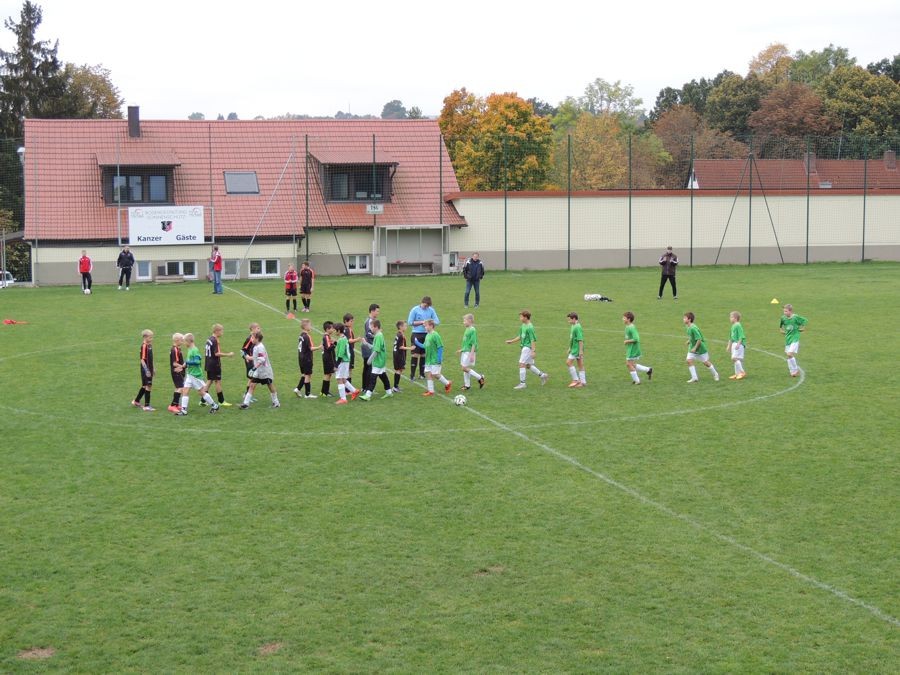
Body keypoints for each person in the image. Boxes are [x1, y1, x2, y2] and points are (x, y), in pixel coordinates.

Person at [505, 310, 549, 390]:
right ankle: (543, 376)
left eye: (521, 316)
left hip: (527, 348)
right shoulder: (523, 325)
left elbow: (532, 340)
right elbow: (520, 336)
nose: (520, 318)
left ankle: (522, 384)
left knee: (521, 364)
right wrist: (511, 341)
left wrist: (533, 351)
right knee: (528, 365)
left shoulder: (530, 327)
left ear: (525, 317)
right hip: (524, 347)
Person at [240, 331, 280, 409]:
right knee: (252, 385)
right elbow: (256, 358)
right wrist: (247, 357)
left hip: (264, 371)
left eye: (252, 338)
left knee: (270, 385)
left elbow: (261, 360)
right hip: (258, 371)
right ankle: (246, 404)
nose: (251, 339)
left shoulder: (260, 347)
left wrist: (254, 368)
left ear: (257, 339)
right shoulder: (255, 346)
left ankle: (276, 402)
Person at [183, 333, 220, 412]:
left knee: (201, 392)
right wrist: (185, 365)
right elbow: (196, 359)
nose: (184, 343)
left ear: (189, 341)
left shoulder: (194, 350)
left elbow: (197, 361)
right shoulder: (190, 349)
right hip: (190, 374)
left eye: (184, 342)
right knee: (185, 391)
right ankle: (183, 410)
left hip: (195, 375)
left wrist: (187, 362)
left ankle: (214, 405)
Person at [408, 296, 440, 380]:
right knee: (415, 354)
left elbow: (437, 321)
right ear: (422, 303)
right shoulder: (415, 309)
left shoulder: (431, 310)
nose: (426, 307)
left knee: (424, 355)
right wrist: (421, 322)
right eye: (425, 306)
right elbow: (410, 322)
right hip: (416, 334)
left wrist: (429, 323)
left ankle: (422, 374)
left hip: (427, 335)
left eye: (428, 306)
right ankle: (412, 375)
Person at [683, 312, 719, 383]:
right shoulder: (688, 327)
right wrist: (689, 341)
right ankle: (694, 378)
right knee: (689, 360)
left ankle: (715, 374)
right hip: (692, 348)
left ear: (689, 319)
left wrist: (695, 348)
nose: (683, 319)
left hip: (700, 349)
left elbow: (699, 339)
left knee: (706, 363)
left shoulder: (693, 328)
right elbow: (692, 337)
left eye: (685, 318)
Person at [419, 319, 451, 397]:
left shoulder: (435, 335)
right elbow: (424, 346)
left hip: (435, 359)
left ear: (431, 326)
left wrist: (439, 358)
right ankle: (431, 391)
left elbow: (440, 347)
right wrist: (417, 343)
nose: (425, 327)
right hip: (428, 360)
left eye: (426, 326)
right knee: (427, 373)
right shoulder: (427, 335)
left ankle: (447, 383)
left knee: (436, 374)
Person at [204, 324, 235, 406]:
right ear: (217, 331)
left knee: (210, 381)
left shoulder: (209, 339)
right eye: (221, 331)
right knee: (217, 381)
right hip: (214, 365)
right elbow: (217, 353)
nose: (222, 332)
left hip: (208, 363)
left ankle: (203, 400)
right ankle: (221, 401)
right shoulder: (215, 340)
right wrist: (228, 354)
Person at [364, 319, 393, 399]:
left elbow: (376, 350)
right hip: (380, 360)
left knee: (372, 378)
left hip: (378, 361)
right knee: (383, 376)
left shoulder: (379, 336)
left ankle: (368, 395)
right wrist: (366, 344)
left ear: (376, 327)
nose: (370, 329)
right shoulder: (378, 335)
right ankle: (389, 392)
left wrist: (369, 360)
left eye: (372, 327)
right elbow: (375, 347)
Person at [332, 322, 359, 405]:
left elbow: (340, 353)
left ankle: (343, 399)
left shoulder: (342, 340)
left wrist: (336, 365)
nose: (333, 331)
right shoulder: (343, 338)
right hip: (345, 362)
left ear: (339, 330)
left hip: (342, 362)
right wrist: (336, 343)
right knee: (343, 379)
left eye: (334, 330)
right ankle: (354, 391)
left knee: (339, 379)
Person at [293, 318, 321, 399]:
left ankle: (297, 389)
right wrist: (319, 347)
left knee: (304, 374)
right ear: (305, 326)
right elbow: (311, 348)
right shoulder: (307, 336)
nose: (311, 326)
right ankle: (307, 394)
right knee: (308, 375)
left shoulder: (301, 335)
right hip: (307, 358)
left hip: (301, 358)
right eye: (310, 325)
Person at [623, 311, 652, 385]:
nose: (622, 319)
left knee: (628, 364)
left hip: (633, 348)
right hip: (631, 348)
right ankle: (648, 369)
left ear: (628, 319)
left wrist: (627, 341)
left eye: (624, 318)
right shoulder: (628, 327)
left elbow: (636, 339)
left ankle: (637, 380)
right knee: (631, 364)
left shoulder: (631, 328)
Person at [779, 304, 808, 377]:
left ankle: (796, 369)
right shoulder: (783, 318)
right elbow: (781, 326)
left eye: (786, 311)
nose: (784, 313)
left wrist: (803, 328)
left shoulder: (795, 317)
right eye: (784, 311)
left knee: (789, 354)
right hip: (788, 338)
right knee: (788, 356)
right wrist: (781, 330)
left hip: (795, 338)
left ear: (790, 311)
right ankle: (792, 372)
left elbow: (805, 320)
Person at [458, 313, 485, 391]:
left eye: (464, 320)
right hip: (465, 351)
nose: (463, 322)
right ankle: (467, 385)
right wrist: (461, 349)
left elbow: (474, 343)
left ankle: (480, 378)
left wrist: (472, 354)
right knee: (465, 367)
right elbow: (466, 342)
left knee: (464, 368)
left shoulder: (472, 330)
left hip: (469, 352)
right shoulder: (467, 329)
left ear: (469, 321)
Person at [359, 303, 380, 399]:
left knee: (366, 367)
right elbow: (368, 334)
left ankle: (364, 387)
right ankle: (367, 388)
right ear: (372, 311)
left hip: (367, 346)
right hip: (368, 347)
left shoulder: (371, 320)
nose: (378, 313)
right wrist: (378, 335)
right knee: (369, 367)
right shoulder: (369, 321)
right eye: (377, 311)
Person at [131, 329, 156, 411]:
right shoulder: (144, 346)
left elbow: (151, 359)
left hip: (150, 369)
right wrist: (147, 370)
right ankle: (147, 406)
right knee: (148, 386)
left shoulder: (150, 345)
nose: (151, 339)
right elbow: (142, 360)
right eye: (150, 337)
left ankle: (136, 401)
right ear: (145, 337)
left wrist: (153, 368)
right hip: (146, 370)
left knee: (145, 386)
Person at [168, 332, 189, 415]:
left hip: (177, 371)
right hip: (177, 371)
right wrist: (183, 366)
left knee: (178, 388)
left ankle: (175, 404)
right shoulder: (175, 350)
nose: (183, 342)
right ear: (177, 340)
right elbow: (174, 363)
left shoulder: (176, 348)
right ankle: (173, 405)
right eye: (181, 340)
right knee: (181, 387)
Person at [240, 322, 261, 403]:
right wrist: (246, 358)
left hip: (254, 360)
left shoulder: (255, 338)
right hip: (250, 361)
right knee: (252, 378)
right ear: (252, 329)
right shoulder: (249, 339)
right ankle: (247, 395)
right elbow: (242, 350)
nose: (259, 329)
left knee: (252, 378)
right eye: (258, 328)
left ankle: (248, 395)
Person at [565, 312, 586, 388]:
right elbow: (572, 339)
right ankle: (583, 382)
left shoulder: (577, 327)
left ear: (574, 319)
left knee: (568, 362)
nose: (569, 321)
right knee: (580, 365)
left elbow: (580, 340)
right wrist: (570, 348)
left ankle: (575, 380)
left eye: (570, 320)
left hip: (576, 350)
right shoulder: (573, 326)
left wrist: (580, 351)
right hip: (574, 348)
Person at [392, 320, 412, 392]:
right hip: (399, 354)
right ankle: (395, 387)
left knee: (400, 369)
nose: (406, 327)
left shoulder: (399, 334)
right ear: (400, 327)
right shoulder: (401, 335)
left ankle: (396, 386)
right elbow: (400, 347)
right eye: (405, 326)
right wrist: (410, 348)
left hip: (396, 354)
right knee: (399, 370)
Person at [726, 311, 747, 380]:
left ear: (735, 318)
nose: (730, 318)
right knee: (737, 360)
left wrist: (738, 344)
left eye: (731, 317)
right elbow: (731, 338)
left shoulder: (738, 325)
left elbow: (741, 336)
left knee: (734, 358)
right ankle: (737, 374)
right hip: (734, 344)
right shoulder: (733, 326)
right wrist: (729, 346)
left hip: (738, 344)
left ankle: (742, 372)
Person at [319, 320, 336, 397]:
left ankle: (324, 391)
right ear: (327, 329)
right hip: (327, 358)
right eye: (331, 328)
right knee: (327, 374)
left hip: (327, 357)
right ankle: (325, 392)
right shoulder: (326, 337)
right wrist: (335, 343)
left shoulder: (327, 336)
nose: (333, 329)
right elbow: (328, 347)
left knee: (328, 374)